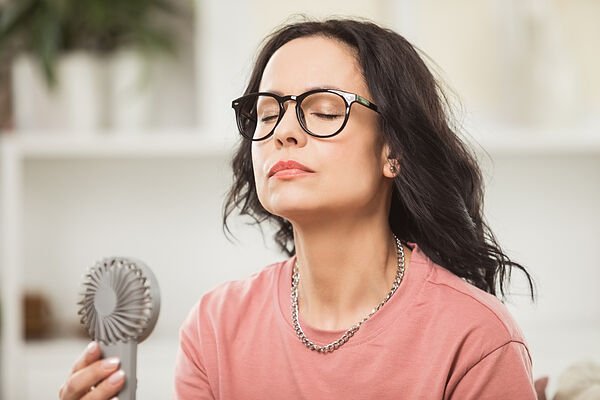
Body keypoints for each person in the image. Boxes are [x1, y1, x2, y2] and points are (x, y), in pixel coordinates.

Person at [59, 18, 537, 400]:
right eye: (267, 113)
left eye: (325, 111)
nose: (284, 130)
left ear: (394, 151)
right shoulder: (215, 326)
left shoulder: (475, 339)